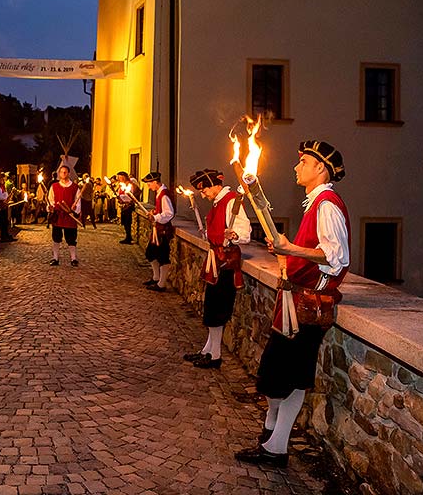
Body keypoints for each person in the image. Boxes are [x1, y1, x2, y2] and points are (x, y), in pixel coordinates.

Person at [235, 140, 349, 468]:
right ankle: (272, 433)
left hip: (309, 306)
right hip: (294, 301)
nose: (296, 168)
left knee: (293, 376)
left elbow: (336, 257)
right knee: (277, 374)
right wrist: (286, 251)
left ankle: (277, 446)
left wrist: (292, 249)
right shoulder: (315, 203)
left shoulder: (327, 203)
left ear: (320, 169)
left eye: (303, 163)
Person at [183, 169, 251, 369]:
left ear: (213, 185)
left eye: (203, 190)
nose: (202, 194)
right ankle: (207, 350)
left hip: (225, 264)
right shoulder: (217, 203)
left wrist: (234, 235)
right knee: (212, 308)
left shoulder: (231, 201)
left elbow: (245, 232)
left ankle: (215, 356)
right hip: (216, 261)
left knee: (218, 309)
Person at [142, 172, 174, 291]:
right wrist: (154, 213)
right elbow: (161, 210)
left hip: (163, 231)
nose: (148, 186)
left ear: (155, 182)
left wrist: (156, 217)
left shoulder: (164, 195)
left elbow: (169, 213)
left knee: (162, 256)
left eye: (149, 184)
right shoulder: (159, 193)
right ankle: (156, 277)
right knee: (150, 253)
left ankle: (161, 284)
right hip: (158, 230)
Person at [47, 165, 82, 266]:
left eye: (65, 172)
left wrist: (75, 209)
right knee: (56, 237)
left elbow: (78, 202)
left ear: (69, 173)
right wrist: (50, 207)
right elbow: (51, 200)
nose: (63, 174)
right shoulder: (54, 186)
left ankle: (73, 259)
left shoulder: (75, 188)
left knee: (71, 238)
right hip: (58, 216)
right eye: (61, 172)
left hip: (69, 216)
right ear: (59, 174)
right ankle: (55, 258)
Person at [115, 171, 138, 244]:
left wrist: (126, 199)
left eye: (120, 177)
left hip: (128, 205)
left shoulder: (130, 184)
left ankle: (128, 237)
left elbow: (131, 194)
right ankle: (128, 236)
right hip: (124, 204)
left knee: (128, 222)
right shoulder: (122, 184)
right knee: (125, 222)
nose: (118, 179)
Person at [0, 172, 16, 242]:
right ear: (0, 178)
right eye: (3, 179)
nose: (4, 180)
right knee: (2, 222)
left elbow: (5, 196)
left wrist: (9, 194)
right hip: (0, 206)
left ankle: (6, 235)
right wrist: (6, 194)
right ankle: (3, 236)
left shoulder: (1, 186)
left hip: (4, 206)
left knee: (5, 221)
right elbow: (0, 197)